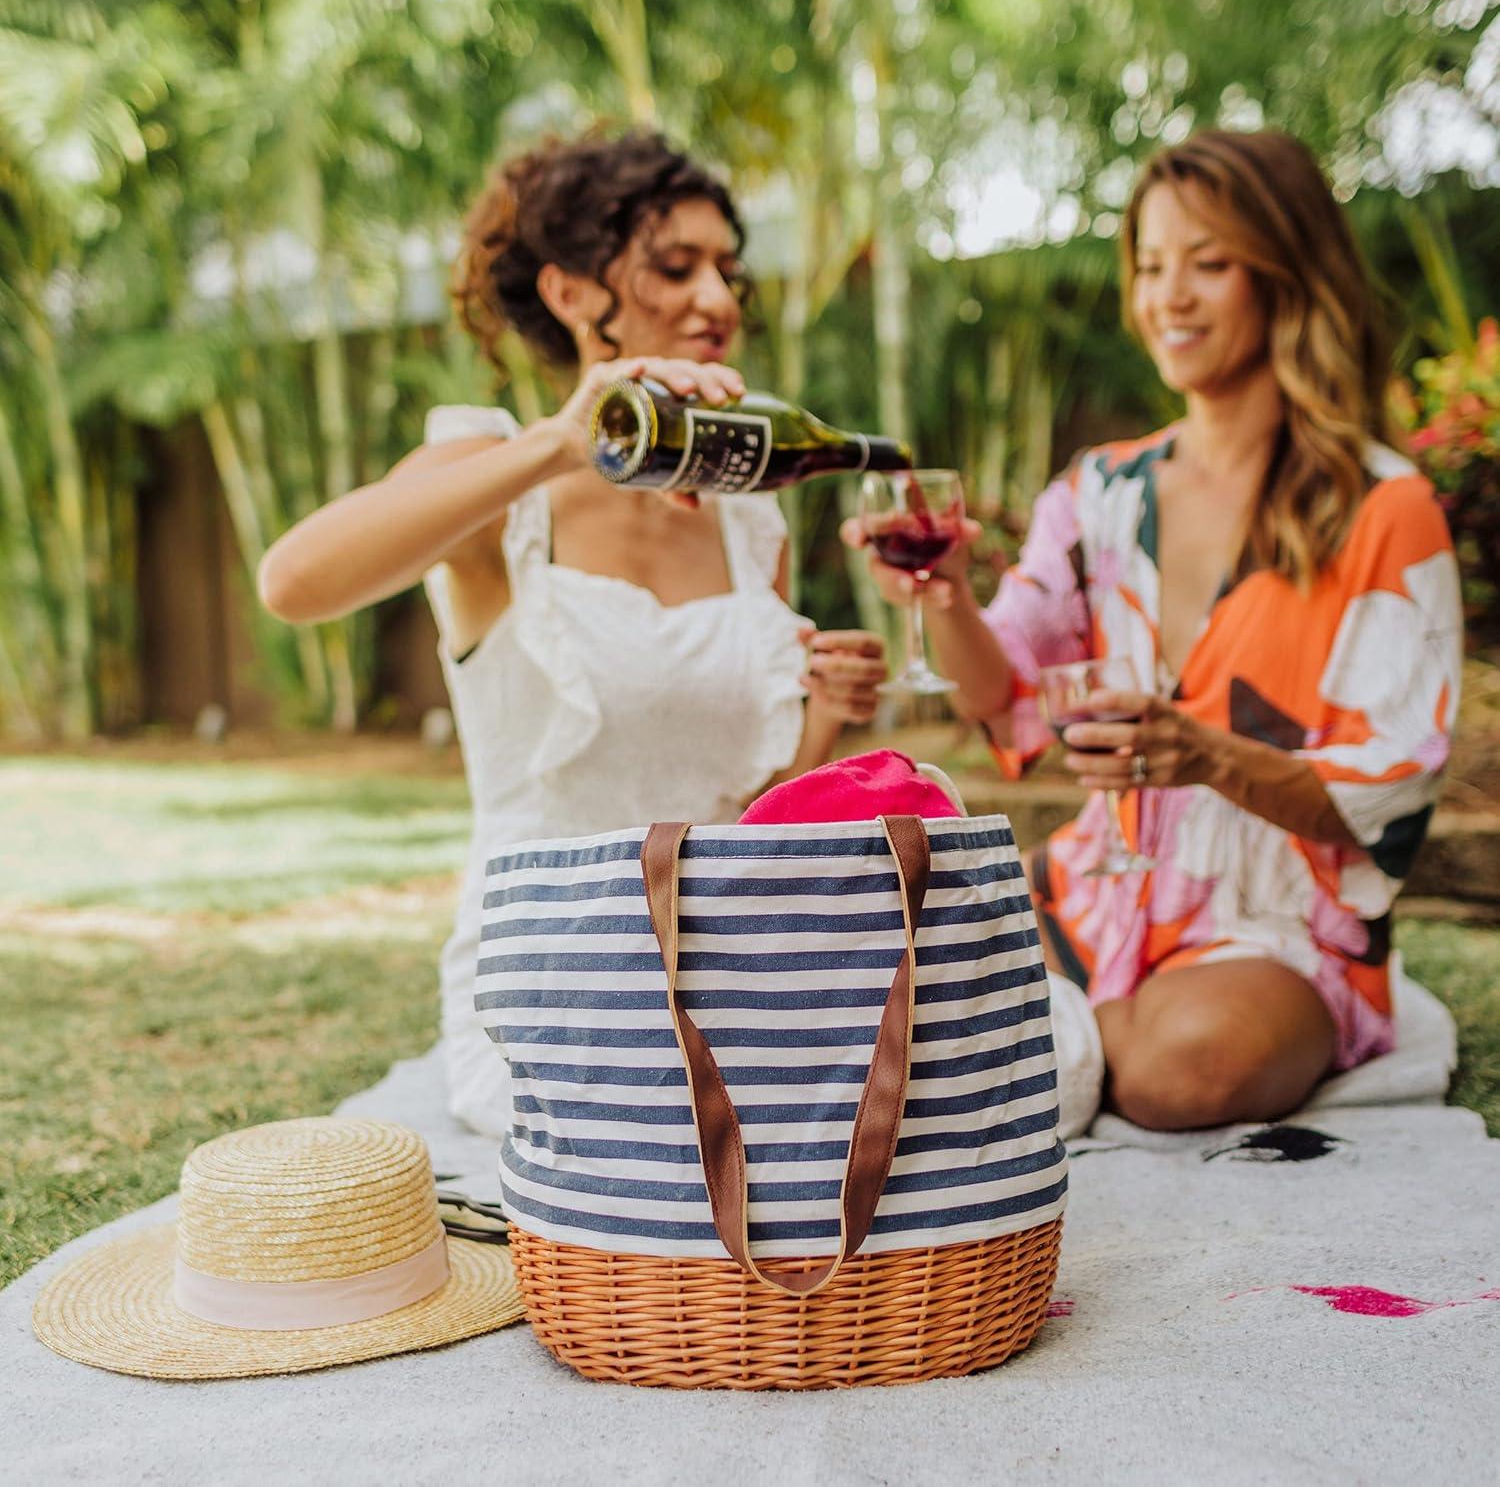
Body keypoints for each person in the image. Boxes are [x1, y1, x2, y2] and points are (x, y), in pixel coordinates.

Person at [259, 128, 886, 1137]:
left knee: (981, 1075)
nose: (719, 300)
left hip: (730, 956)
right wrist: (562, 442)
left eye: (728, 269)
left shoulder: (747, 518)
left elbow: (748, 804)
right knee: (678, 1125)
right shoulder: (497, 474)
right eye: (675, 268)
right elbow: (293, 580)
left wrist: (829, 722)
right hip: (557, 968)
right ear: (569, 293)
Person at [847, 128, 1463, 1132]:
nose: (1168, 297)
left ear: (1285, 276)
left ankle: (1068, 1045)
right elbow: (1003, 697)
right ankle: (1088, 1038)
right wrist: (948, 594)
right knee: (860, 965)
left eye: (1209, 265)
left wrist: (1207, 756)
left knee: (1184, 1073)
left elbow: (1394, 788)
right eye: (1149, 266)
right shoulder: (1100, 490)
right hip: (1097, 881)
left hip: (1280, 913)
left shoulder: (1382, 508)